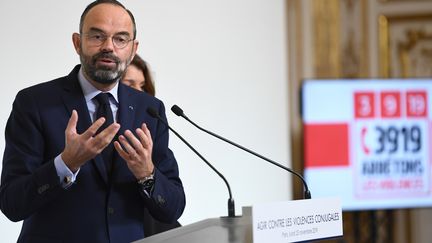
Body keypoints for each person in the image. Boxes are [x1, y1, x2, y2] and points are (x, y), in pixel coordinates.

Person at [0, 1, 186, 243]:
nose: (108, 47)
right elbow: (12, 203)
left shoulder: (149, 109)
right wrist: (65, 164)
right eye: (97, 36)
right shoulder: (34, 103)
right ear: (78, 42)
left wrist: (147, 174)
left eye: (121, 39)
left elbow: (172, 209)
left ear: (132, 49)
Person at [122, 54, 182, 236]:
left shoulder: (154, 136)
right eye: (130, 85)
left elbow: (174, 203)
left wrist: (147, 173)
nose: (139, 92)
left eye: (142, 86)